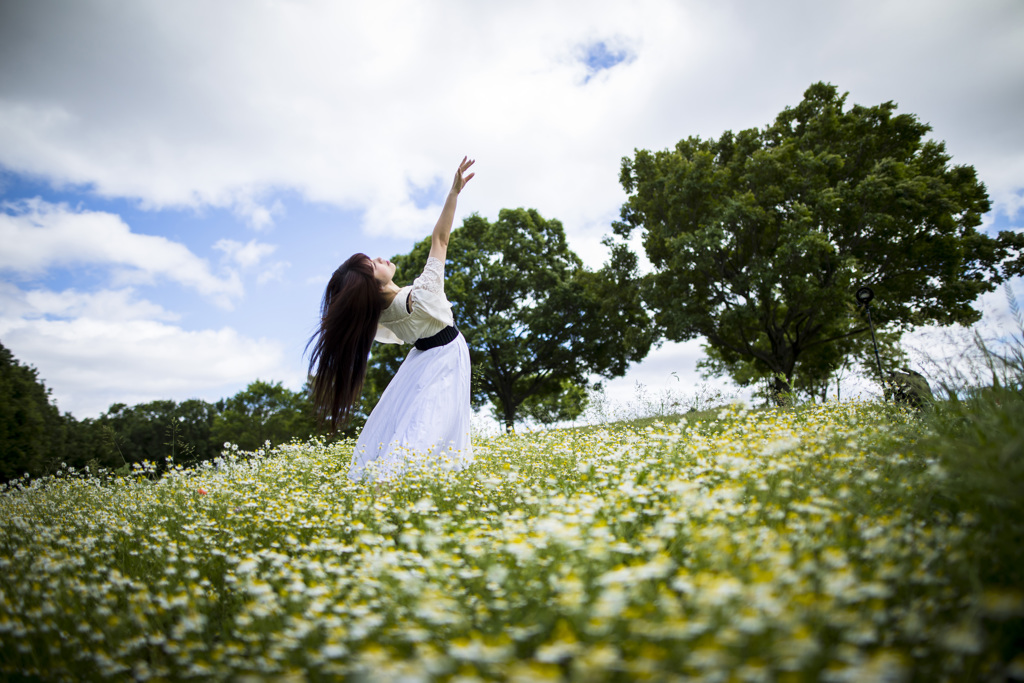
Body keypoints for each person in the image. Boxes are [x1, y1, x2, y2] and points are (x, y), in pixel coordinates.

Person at [307, 157, 476, 480]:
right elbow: (440, 239)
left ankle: (388, 488)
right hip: (445, 357)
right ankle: (388, 489)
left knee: (413, 426)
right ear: (374, 283)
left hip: (420, 362)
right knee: (426, 428)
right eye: (374, 264)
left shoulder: (378, 317)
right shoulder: (422, 296)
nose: (380, 258)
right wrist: (454, 193)